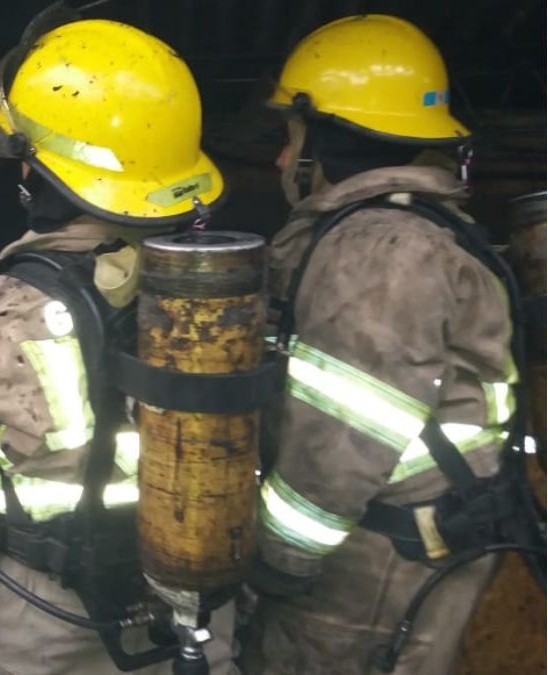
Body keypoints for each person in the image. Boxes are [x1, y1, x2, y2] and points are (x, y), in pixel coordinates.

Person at [0, 13, 239, 675]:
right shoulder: (212, 278)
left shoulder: (17, 299)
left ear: (42, 172)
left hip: (52, 607)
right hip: (195, 599)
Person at [242, 14, 537, 675]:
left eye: (292, 136)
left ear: (328, 137)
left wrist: (276, 559)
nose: (283, 159)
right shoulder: (416, 233)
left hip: (374, 576)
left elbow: (342, 437)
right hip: (412, 549)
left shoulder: (380, 253)